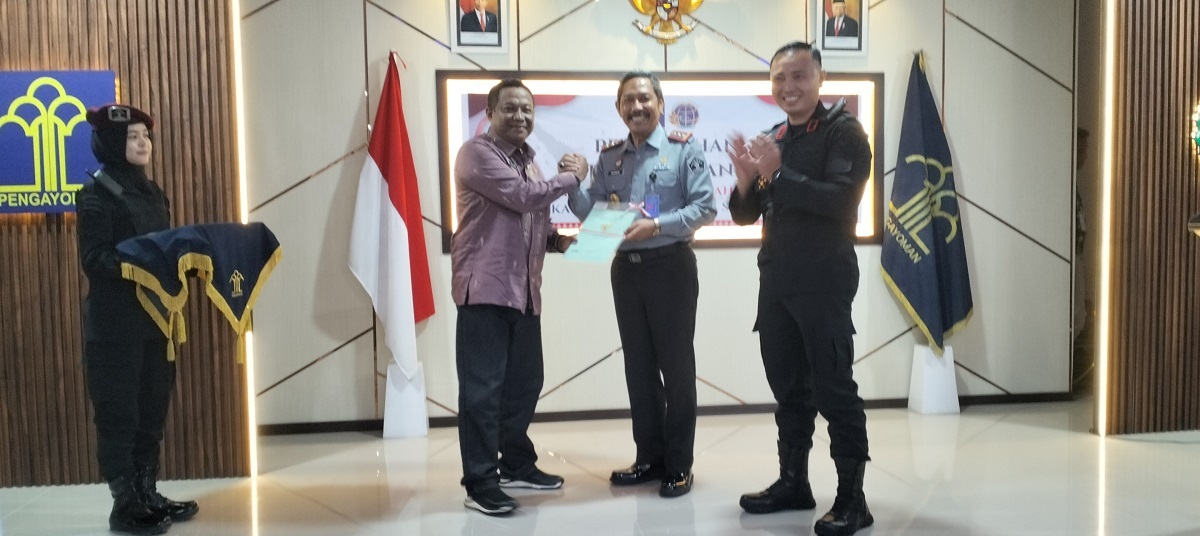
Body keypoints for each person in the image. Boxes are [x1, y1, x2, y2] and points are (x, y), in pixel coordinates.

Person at [726, 42, 873, 536]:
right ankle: (794, 483)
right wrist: (746, 180)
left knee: (834, 389)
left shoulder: (844, 132)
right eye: (779, 78)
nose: (788, 87)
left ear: (820, 78)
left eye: (799, 76)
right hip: (777, 283)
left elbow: (841, 202)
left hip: (824, 281)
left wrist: (777, 173)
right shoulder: (775, 136)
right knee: (789, 390)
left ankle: (853, 499)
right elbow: (746, 214)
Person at [567, 71, 716, 499]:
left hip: (670, 267)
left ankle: (679, 465)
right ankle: (649, 457)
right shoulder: (610, 157)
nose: (637, 107)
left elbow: (705, 207)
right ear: (618, 108)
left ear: (660, 103)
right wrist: (575, 183)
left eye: (644, 98)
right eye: (628, 100)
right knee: (638, 367)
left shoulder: (684, 150)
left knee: (677, 368)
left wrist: (657, 225)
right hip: (626, 270)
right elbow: (592, 213)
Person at [451, 78, 585, 516]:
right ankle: (480, 483)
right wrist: (574, 177)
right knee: (482, 393)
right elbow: (523, 198)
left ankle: (516, 465)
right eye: (510, 108)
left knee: (525, 384)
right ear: (490, 113)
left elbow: (532, 220)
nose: (521, 116)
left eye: (527, 109)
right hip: (485, 291)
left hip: (525, 293)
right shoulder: (477, 154)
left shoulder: (528, 161)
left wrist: (559, 240)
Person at [76, 104, 198, 535]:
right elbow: (95, 260)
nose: (143, 142)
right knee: (119, 418)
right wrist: (143, 265)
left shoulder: (154, 193)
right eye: (132, 136)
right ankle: (124, 503)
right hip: (114, 329)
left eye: (146, 135)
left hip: (156, 323)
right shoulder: (96, 193)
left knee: (151, 413)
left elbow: (164, 250)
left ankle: (147, 492)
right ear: (111, 143)